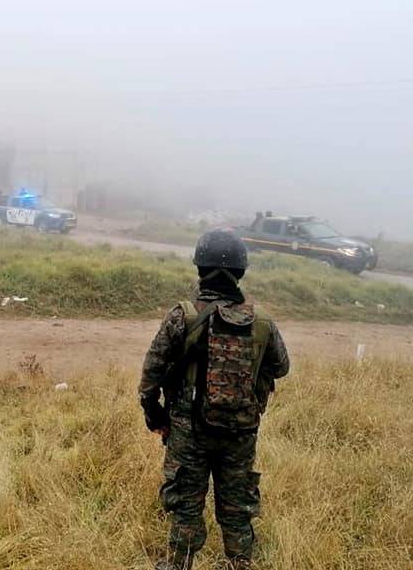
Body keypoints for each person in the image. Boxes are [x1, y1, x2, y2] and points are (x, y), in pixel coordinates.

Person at [139, 229, 289, 570]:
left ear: (199, 268)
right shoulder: (262, 321)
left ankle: (178, 565)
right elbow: (281, 367)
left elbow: (151, 376)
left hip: (188, 431)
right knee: (237, 508)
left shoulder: (183, 316)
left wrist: (156, 417)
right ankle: (240, 564)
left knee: (185, 505)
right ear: (241, 271)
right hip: (240, 433)